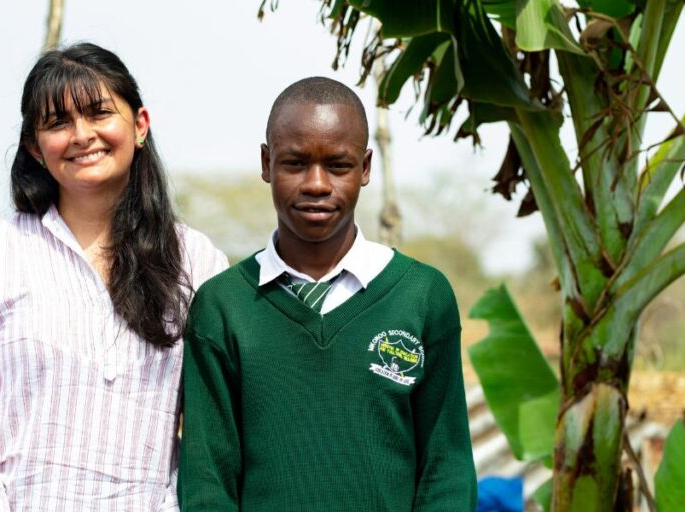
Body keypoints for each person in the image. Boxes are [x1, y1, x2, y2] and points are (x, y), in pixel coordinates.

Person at [0, 42, 228, 510]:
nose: (82, 134)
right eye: (58, 122)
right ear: (34, 146)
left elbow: (213, 437)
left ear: (140, 125)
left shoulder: (198, 261)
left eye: (98, 113)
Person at [178, 77, 476, 511]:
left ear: (366, 167)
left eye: (338, 165)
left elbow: (446, 465)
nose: (317, 184)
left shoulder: (421, 296)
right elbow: (208, 481)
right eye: (295, 163)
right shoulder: (223, 307)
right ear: (266, 162)